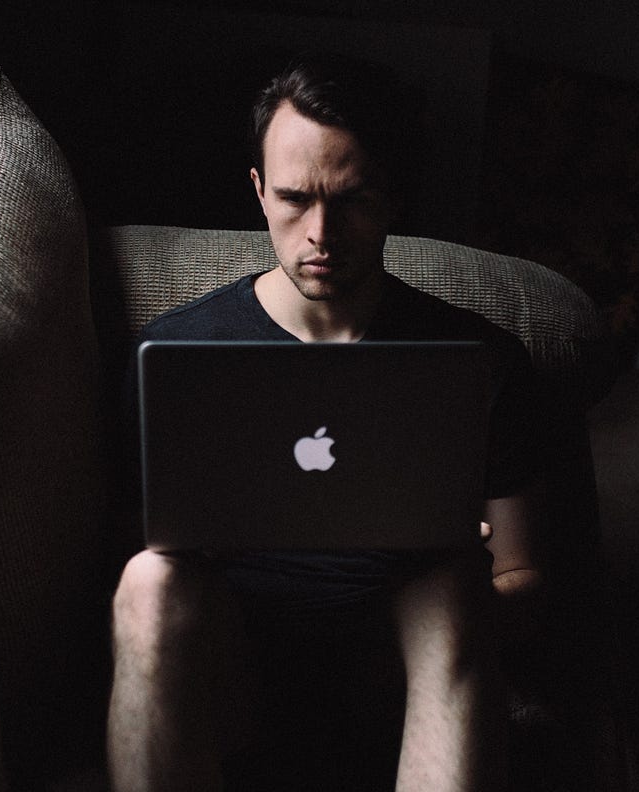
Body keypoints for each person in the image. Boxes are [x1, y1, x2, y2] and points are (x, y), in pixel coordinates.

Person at [107, 53, 552, 792]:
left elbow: (524, 576)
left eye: (352, 200)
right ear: (259, 190)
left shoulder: (479, 362)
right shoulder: (176, 355)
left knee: (455, 585)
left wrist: (457, 560)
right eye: (293, 198)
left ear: (394, 197)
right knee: (148, 579)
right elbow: (126, 543)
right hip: (234, 654)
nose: (321, 232)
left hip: (401, 656)